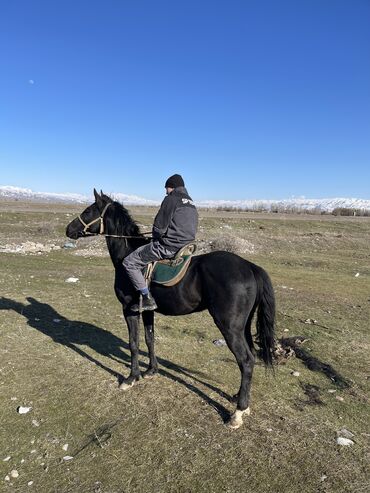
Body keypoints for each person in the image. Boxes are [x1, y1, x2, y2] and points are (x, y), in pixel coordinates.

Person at [123, 174, 198, 312]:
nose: (165, 191)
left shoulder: (171, 199)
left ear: (172, 187)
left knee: (130, 262)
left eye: (167, 188)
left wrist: (156, 236)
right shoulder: (191, 202)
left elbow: (159, 227)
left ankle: (146, 298)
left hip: (169, 246)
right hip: (187, 246)